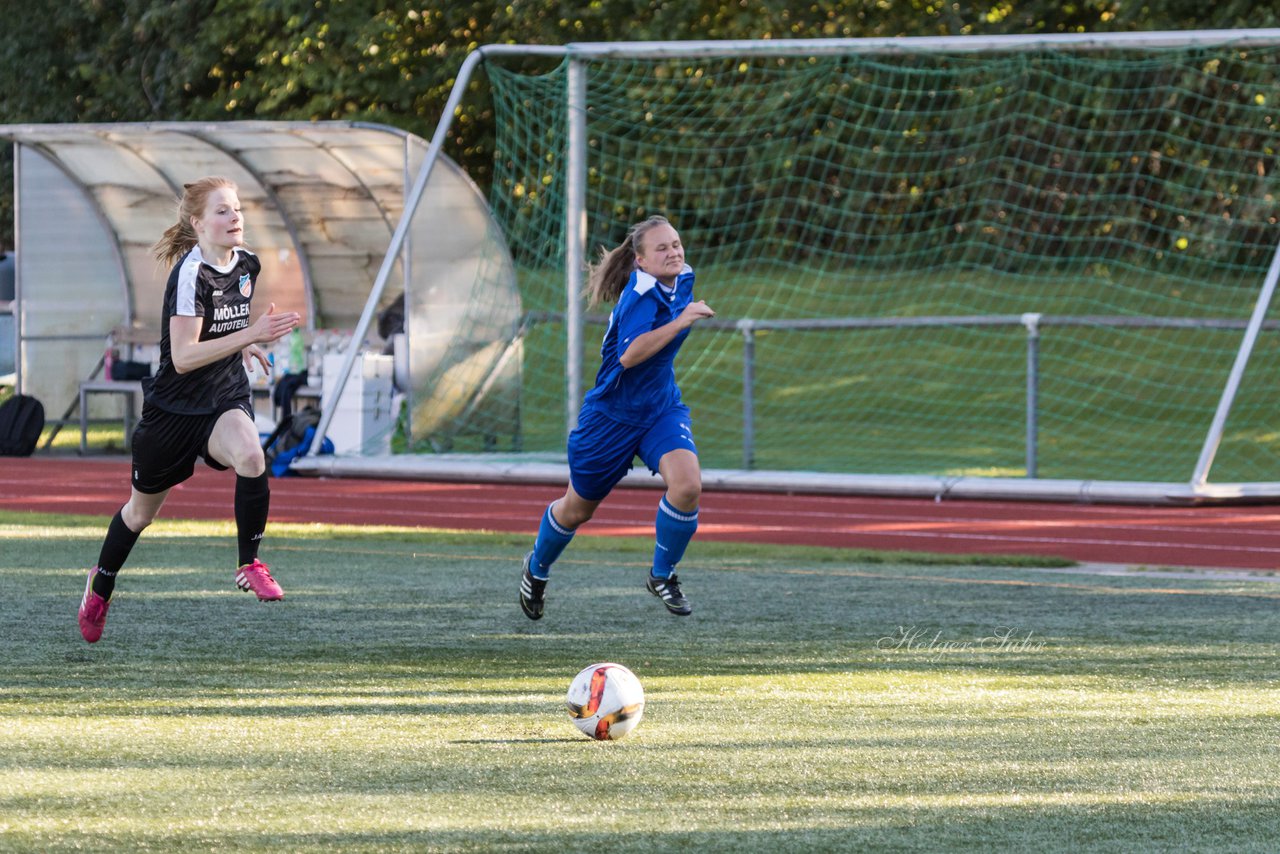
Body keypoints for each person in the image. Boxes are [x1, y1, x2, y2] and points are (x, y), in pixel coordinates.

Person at [77, 177, 302, 643]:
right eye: (222, 211)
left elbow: (226, 325)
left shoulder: (248, 263)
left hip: (222, 398)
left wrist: (242, 348)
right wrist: (249, 337)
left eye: (237, 209)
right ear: (198, 223)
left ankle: (250, 563)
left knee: (252, 456)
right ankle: (100, 585)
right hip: (173, 412)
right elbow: (182, 357)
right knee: (140, 515)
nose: (234, 217)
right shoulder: (189, 274)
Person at [519, 215, 715, 620]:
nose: (674, 252)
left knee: (687, 485)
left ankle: (662, 574)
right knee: (577, 509)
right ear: (640, 261)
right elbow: (630, 355)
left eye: (676, 244)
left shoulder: (684, 277)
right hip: (610, 418)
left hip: (660, 408)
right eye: (661, 248)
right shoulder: (641, 293)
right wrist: (682, 320)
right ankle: (536, 569)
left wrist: (682, 315)